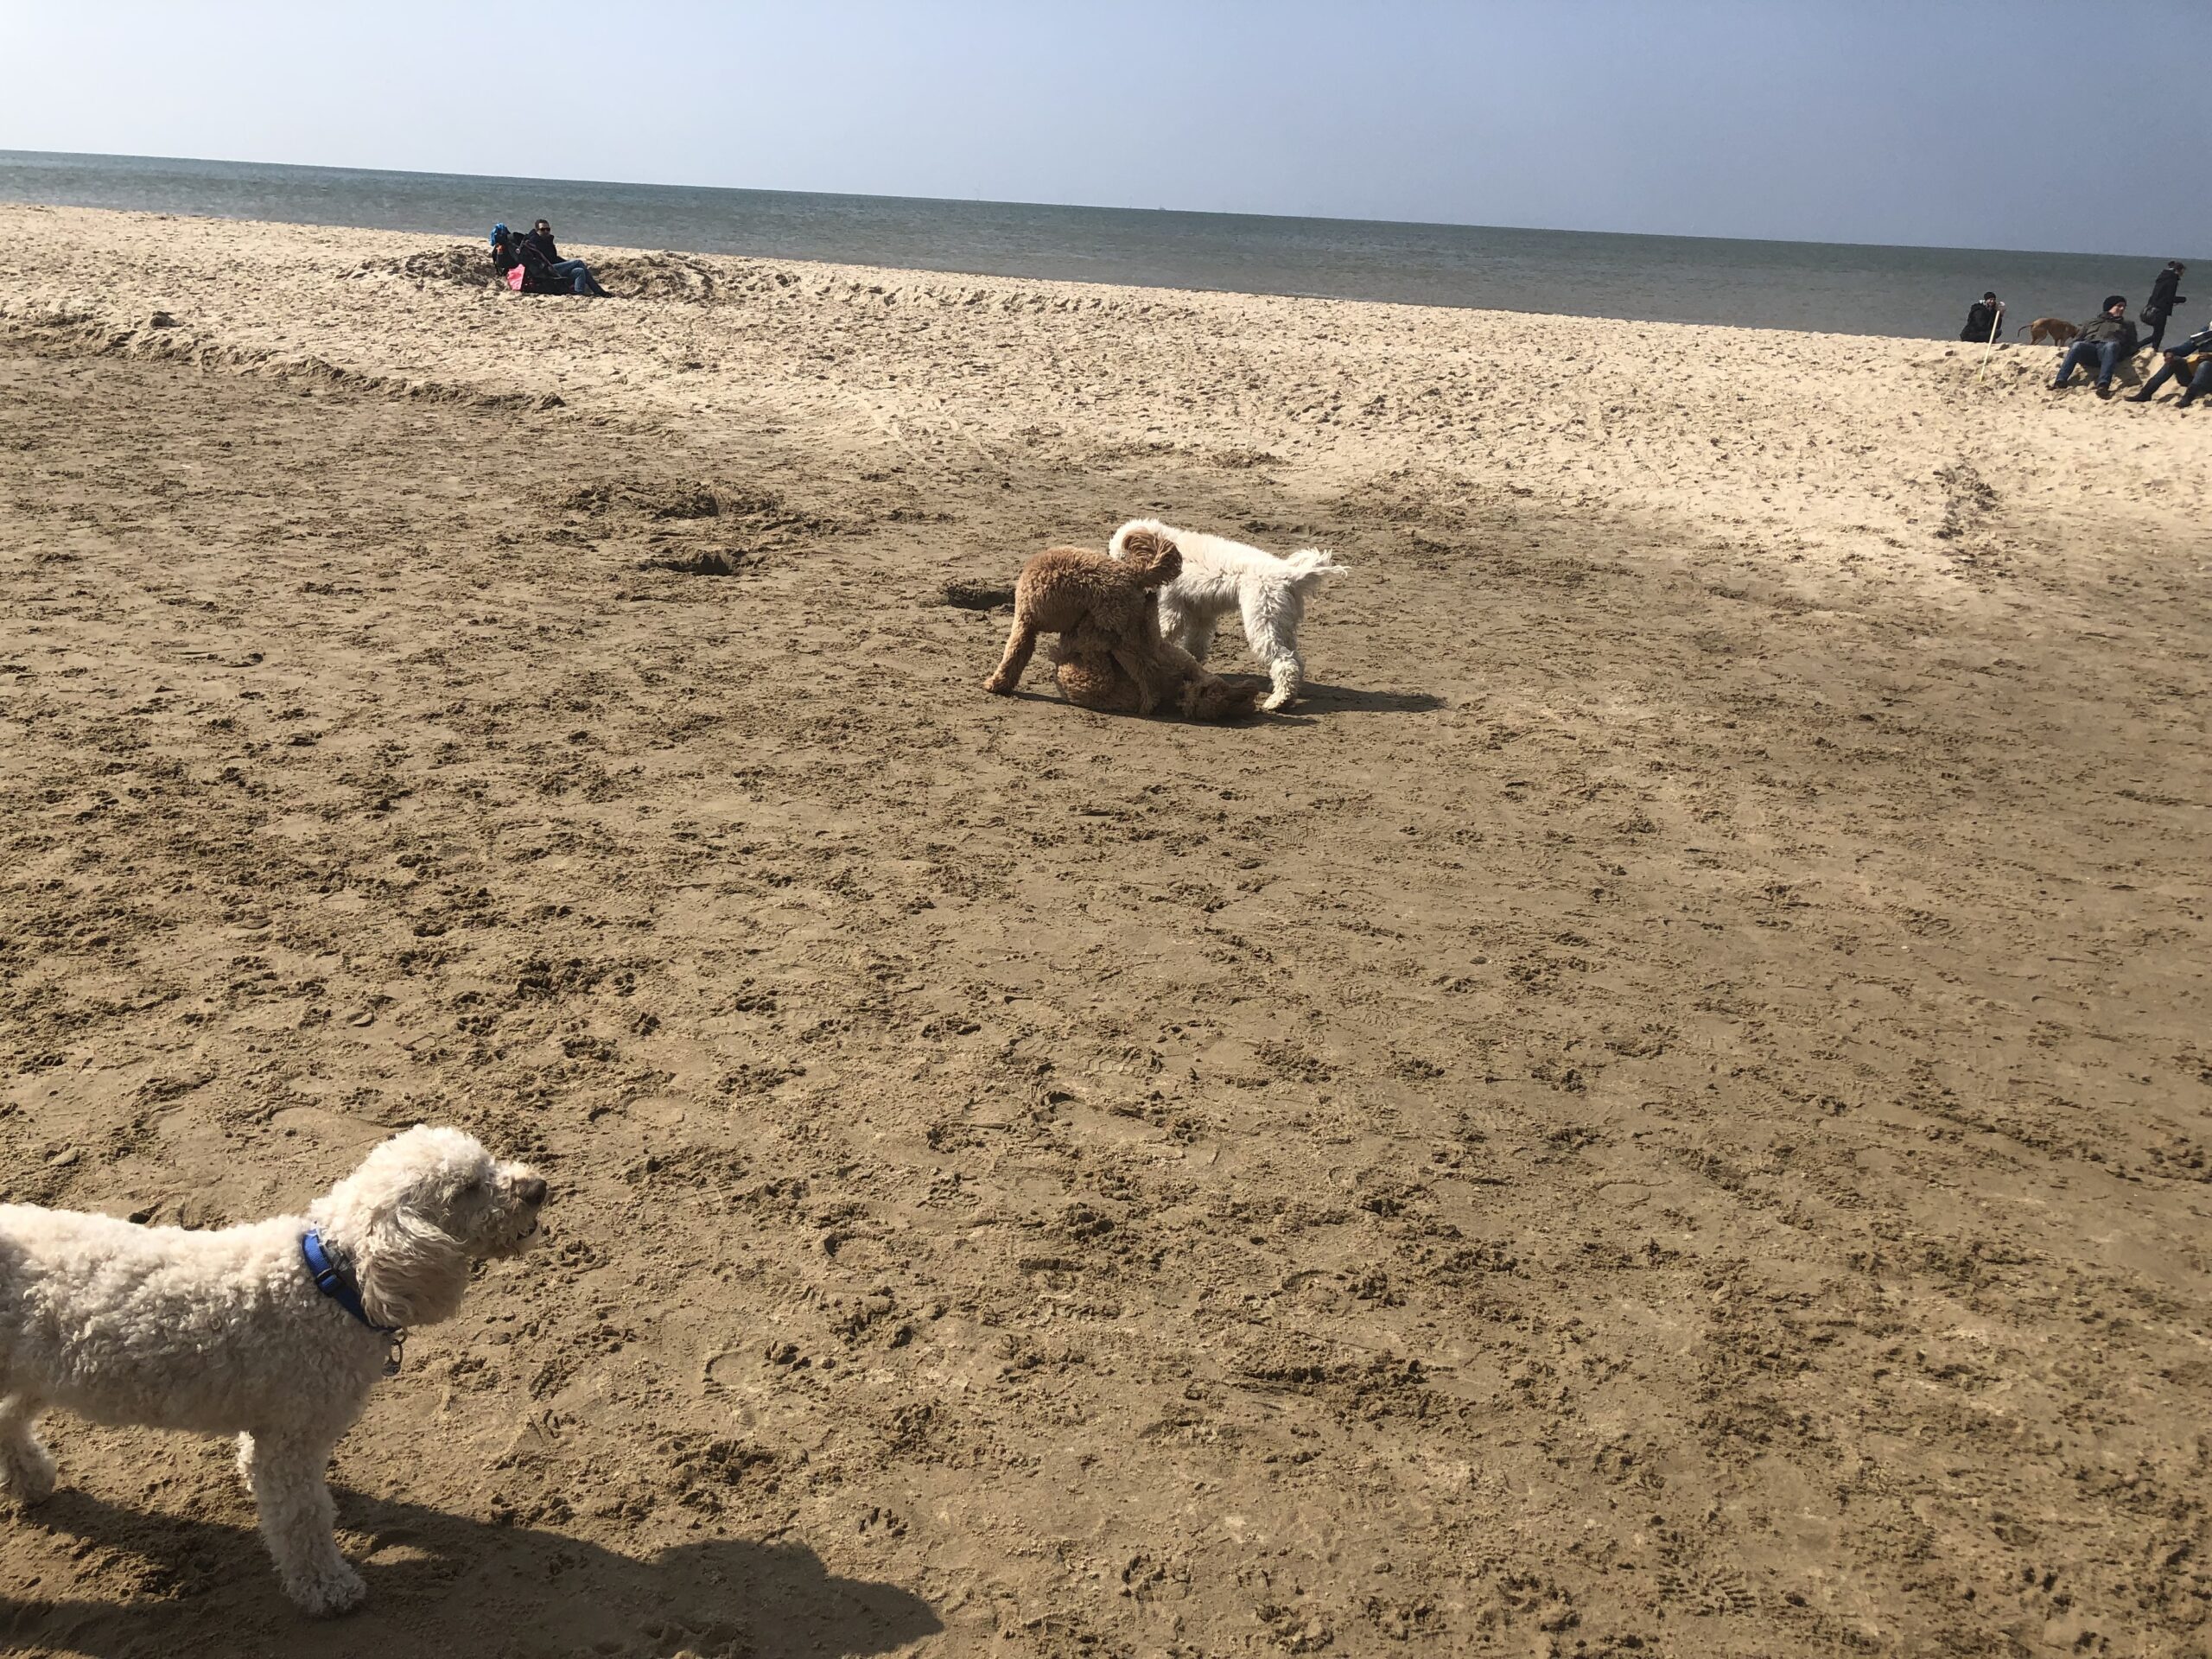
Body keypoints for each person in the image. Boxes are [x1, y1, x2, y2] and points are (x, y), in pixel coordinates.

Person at [2050, 296, 2140, 397]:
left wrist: (2122, 351)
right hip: (2090, 350)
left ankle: (2103, 386)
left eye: (2124, 307)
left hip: (2109, 352)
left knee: (2111, 345)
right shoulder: (2091, 322)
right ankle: (2060, 381)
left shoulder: (2127, 324)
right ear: (2110, 307)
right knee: (2077, 345)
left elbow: (2133, 345)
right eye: (2119, 306)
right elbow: (2077, 339)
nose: (2122, 309)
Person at [2126, 321, 2212, 408]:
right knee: (2174, 361)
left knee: (2205, 365)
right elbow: (2184, 349)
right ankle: (2145, 393)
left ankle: (2188, 398)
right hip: (2195, 377)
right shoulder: (2206, 333)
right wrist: (2170, 352)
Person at [521, 219, 611, 298]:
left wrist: (566, 263)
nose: (546, 231)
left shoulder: (547, 241)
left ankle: (578, 293)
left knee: (579, 271)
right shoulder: (534, 242)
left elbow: (554, 258)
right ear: (537, 230)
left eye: (548, 229)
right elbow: (537, 261)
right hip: (546, 270)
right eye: (542, 229)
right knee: (578, 262)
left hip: (554, 267)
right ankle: (599, 291)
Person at [2140, 261, 2188, 353]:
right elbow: (2169, 298)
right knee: (2158, 335)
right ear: (2179, 270)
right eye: (2183, 271)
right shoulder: (2173, 280)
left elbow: (2157, 294)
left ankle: (2153, 350)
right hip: (2161, 310)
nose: (2183, 273)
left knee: (2157, 334)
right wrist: (2182, 299)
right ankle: (2138, 346)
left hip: (2152, 307)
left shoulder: (2162, 277)